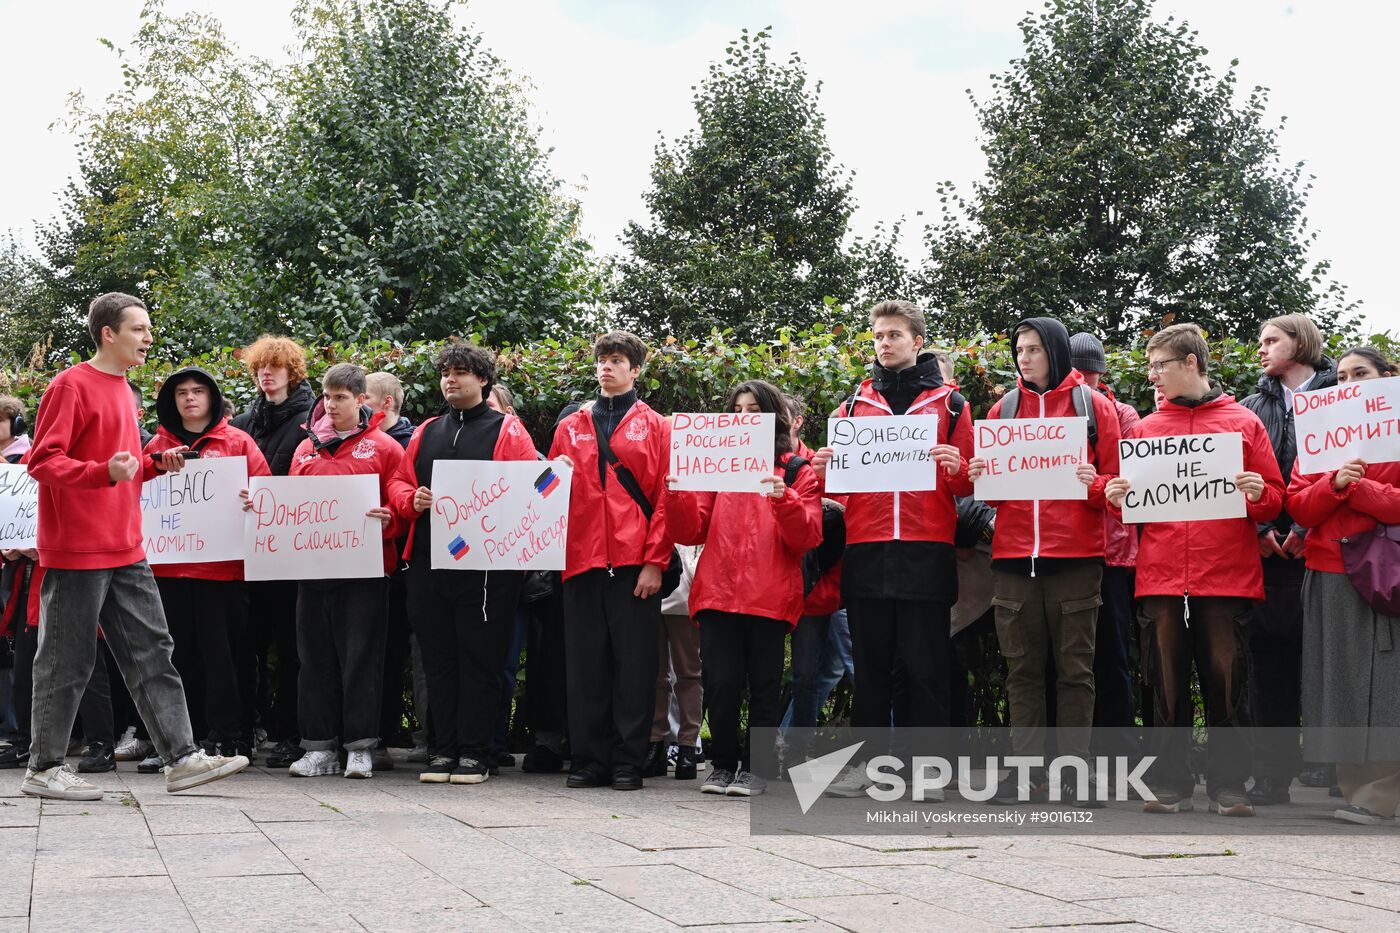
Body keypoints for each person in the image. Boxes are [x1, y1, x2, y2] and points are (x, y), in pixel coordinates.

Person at [22, 292, 248, 800]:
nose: (149, 338)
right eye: (139, 329)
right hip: (79, 548)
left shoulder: (125, 389)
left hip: (127, 547)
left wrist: (153, 465)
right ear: (109, 334)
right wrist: (102, 472)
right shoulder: (70, 385)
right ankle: (44, 767)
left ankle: (181, 759)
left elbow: (122, 468)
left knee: (153, 652)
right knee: (66, 660)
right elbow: (43, 462)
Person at [1105, 323, 1284, 817]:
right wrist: (1116, 498)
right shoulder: (1144, 429)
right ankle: (1170, 783)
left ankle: (1230, 785)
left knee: (1228, 680)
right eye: (1149, 367)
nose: (1152, 375)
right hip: (1161, 575)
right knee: (1163, 683)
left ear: (1191, 363)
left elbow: (1274, 499)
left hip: (1226, 575)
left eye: (1159, 365)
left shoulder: (1243, 422)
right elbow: (1130, 511)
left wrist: (1258, 493)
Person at [812, 301, 973, 799]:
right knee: (871, 668)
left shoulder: (952, 404)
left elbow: (970, 485)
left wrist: (957, 467)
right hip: (867, 548)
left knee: (927, 667)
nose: (884, 343)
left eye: (895, 335)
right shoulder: (851, 407)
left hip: (927, 548)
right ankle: (869, 767)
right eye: (879, 336)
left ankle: (930, 771)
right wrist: (824, 471)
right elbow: (837, 493)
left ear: (917, 341)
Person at [968, 316, 1122, 807]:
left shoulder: (1094, 406)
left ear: (1054, 351)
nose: (1024, 358)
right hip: (1014, 558)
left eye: (1033, 349)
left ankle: (1073, 774)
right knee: (1022, 673)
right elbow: (989, 495)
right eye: (1019, 350)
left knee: (1075, 672)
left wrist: (1094, 484)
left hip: (1075, 558)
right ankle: (1028, 775)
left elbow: (1118, 486)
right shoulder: (1003, 409)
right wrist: (979, 475)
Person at [387, 343, 536, 785]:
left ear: (483, 380)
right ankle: (443, 750)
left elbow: (529, 490)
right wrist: (410, 500)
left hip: (487, 570)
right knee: (438, 661)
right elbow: (399, 482)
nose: (450, 380)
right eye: (445, 373)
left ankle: (476, 753)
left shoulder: (508, 430)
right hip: (428, 563)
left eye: (460, 373)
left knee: (480, 659)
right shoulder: (426, 430)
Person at [668, 380, 822, 797]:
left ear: (772, 416)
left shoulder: (796, 470)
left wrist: (785, 499)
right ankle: (722, 765)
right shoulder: (716, 468)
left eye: (753, 410)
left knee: (765, 687)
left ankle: (757, 769)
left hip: (769, 596)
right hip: (717, 592)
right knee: (720, 684)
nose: (743, 418)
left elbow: (807, 537)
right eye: (737, 410)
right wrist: (677, 493)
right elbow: (690, 530)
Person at [549, 331, 673, 791]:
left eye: (617, 360)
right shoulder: (570, 425)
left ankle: (627, 762)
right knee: (585, 667)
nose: (606, 366)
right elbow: (545, 493)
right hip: (580, 559)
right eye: (602, 359)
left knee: (635, 667)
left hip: (634, 562)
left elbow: (666, 498)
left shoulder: (657, 426)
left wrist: (655, 561)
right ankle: (589, 760)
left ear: (635, 370)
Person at [273, 362, 403, 779]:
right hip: (313, 570)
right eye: (327, 397)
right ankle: (318, 748)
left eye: (341, 397)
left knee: (361, 660)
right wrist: (262, 509)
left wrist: (391, 520)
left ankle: (360, 748)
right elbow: (290, 506)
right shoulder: (305, 448)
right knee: (313, 660)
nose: (331, 405)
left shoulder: (385, 447)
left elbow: (400, 504)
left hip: (366, 572)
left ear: (361, 400)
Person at [1288, 345, 1400, 825]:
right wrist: (1332, 483)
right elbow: (1299, 506)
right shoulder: (1321, 435)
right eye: (1342, 376)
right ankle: (1356, 789)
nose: (1348, 383)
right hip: (1328, 569)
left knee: (1384, 685)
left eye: (1361, 373)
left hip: (1381, 573)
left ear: (1386, 376)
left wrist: (1357, 486)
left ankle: (1382, 794)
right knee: (1337, 685)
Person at [145, 367, 271, 760]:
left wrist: (254, 499)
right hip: (168, 571)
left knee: (224, 656)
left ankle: (228, 735)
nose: (189, 398)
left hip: (223, 572)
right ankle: (181, 740)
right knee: (175, 657)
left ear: (212, 397)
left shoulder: (238, 441)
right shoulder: (155, 447)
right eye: (181, 392)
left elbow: (267, 493)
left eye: (198, 391)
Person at [1239, 313, 1336, 805]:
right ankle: (1272, 775)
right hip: (1268, 555)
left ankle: (1341, 771)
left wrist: (1305, 527)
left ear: (1300, 342)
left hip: (1329, 550)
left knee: (1332, 663)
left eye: (1271, 339)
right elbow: (1232, 475)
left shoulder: (1345, 400)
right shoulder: (1249, 407)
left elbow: (1355, 468)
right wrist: (1260, 530)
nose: (1261, 348)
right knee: (1269, 664)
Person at [231, 335, 317, 769]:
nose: (267, 373)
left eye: (276, 366)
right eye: (261, 367)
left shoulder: (312, 421)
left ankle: (290, 734)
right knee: (245, 643)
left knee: (290, 646)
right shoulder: (242, 423)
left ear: (293, 371)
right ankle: (244, 731)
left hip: (289, 552)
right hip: (246, 550)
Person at [1068, 333, 1142, 747]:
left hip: (1112, 553)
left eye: (1090, 373)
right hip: (1071, 550)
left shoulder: (1121, 413)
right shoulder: (1051, 411)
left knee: (1110, 655)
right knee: (1072, 659)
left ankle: (1117, 749)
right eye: (1077, 372)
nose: (1083, 380)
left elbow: (1129, 476)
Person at [366, 371, 416, 770]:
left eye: (362, 397)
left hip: (396, 567)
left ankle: (381, 736)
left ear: (385, 404)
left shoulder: (410, 444)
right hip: (350, 564)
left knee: (389, 654)